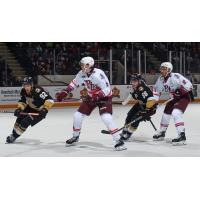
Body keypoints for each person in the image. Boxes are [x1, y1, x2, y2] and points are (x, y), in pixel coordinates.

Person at [56, 56, 126, 151]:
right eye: (81, 65)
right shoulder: (81, 74)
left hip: (104, 98)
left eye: (84, 65)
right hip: (91, 97)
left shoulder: (99, 74)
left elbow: (107, 89)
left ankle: (118, 140)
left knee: (106, 117)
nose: (82, 66)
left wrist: (97, 96)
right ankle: (75, 136)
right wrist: (65, 92)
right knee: (77, 115)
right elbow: (74, 83)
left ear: (90, 65)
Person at [152, 62, 193, 144]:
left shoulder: (175, 76)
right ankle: (162, 133)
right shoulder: (160, 79)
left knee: (176, 113)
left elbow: (189, 85)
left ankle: (182, 136)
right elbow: (156, 91)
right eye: (162, 68)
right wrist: (154, 102)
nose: (162, 70)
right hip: (173, 98)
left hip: (184, 97)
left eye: (165, 69)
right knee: (166, 114)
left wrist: (180, 91)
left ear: (169, 70)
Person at [6, 77, 54, 143]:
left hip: (39, 111)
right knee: (19, 118)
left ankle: (14, 136)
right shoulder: (23, 91)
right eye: (25, 85)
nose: (26, 88)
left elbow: (50, 100)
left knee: (26, 121)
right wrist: (19, 108)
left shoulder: (38, 91)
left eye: (28, 85)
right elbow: (23, 101)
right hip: (30, 107)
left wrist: (45, 110)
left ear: (31, 85)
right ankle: (13, 134)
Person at [120, 74, 157, 141]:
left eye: (134, 81)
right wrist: (124, 102)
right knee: (129, 115)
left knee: (135, 119)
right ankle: (124, 131)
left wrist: (147, 110)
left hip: (150, 107)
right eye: (132, 81)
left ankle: (128, 134)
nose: (132, 83)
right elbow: (131, 94)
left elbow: (151, 99)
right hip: (141, 104)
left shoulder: (142, 89)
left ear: (139, 81)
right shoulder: (135, 86)